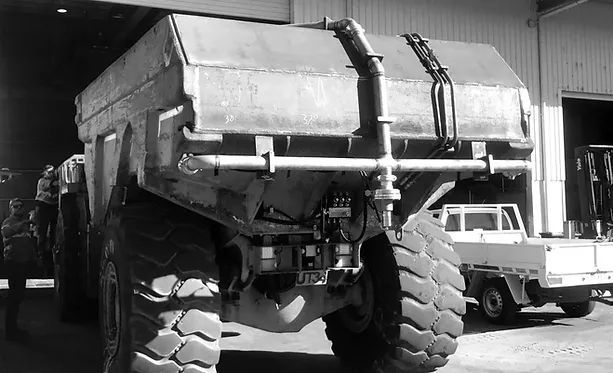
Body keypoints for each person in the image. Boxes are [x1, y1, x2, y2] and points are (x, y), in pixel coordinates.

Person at [1, 198, 36, 341]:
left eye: (20, 206)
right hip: (13, 263)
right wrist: (23, 223)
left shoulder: (27, 225)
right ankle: (10, 331)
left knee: (19, 296)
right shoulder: (8, 222)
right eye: (15, 206)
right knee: (13, 297)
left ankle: (14, 328)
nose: (18, 208)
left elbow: (29, 241)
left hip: (23, 263)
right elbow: (7, 233)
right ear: (10, 209)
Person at [35, 164, 58, 274]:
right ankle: (41, 260)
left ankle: (53, 260)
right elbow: (41, 194)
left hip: (53, 207)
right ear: (44, 172)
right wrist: (51, 192)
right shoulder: (42, 181)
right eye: (49, 171)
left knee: (54, 234)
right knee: (42, 234)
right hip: (43, 207)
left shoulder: (56, 181)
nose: (51, 173)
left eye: (53, 171)